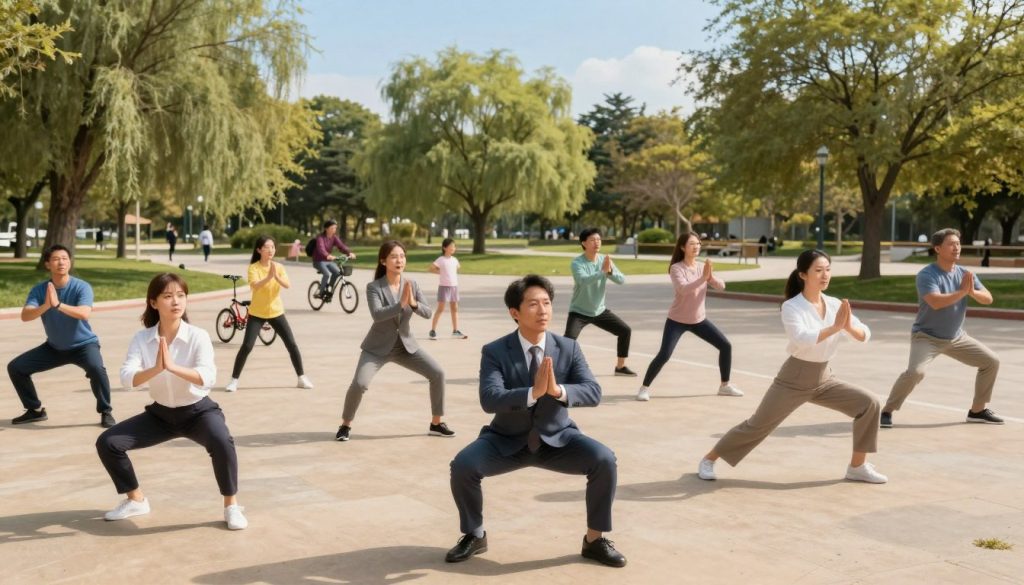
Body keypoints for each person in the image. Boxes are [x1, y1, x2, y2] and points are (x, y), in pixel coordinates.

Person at [446, 275, 626, 568]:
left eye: (547, 303)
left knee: (604, 459)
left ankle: (594, 540)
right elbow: (490, 398)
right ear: (514, 312)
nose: (543, 310)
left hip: (559, 440)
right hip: (506, 440)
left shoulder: (568, 347)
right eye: (533, 304)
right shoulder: (495, 351)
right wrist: (532, 393)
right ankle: (474, 534)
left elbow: (593, 391)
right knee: (463, 466)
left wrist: (557, 391)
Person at [696, 250, 887, 484]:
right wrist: (836, 328)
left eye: (828, 270)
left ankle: (857, 467)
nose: (825, 275)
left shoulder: (835, 304)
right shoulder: (792, 306)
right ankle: (709, 459)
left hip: (824, 378)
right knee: (757, 426)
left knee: (869, 404)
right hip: (793, 378)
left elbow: (864, 334)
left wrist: (848, 327)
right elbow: (802, 338)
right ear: (803, 275)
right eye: (818, 270)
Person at [95, 273, 247, 529]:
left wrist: (173, 367)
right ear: (153, 303)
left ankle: (231, 506)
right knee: (108, 442)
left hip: (198, 412)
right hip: (160, 416)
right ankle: (136, 500)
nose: (176, 301)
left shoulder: (198, 336)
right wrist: (156, 368)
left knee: (222, 440)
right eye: (167, 296)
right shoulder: (142, 338)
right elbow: (127, 378)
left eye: (181, 295)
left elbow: (207, 377)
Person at [881, 228, 1001, 428]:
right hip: (926, 337)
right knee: (916, 372)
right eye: (951, 244)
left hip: (956, 337)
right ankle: (887, 410)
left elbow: (988, 298)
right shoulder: (927, 274)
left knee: (991, 361)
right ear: (937, 249)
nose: (956, 247)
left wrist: (971, 291)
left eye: (958, 243)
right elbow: (935, 302)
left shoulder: (965, 274)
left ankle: (977, 411)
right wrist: (963, 292)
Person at [335, 240, 453, 441]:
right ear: (383, 261)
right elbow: (377, 314)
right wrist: (401, 304)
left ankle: (436, 424)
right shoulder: (374, 287)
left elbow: (427, 312)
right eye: (394, 257)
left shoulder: (412, 284)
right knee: (360, 384)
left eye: (402, 256)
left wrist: (413, 304)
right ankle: (345, 425)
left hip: (405, 346)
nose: (399, 260)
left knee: (438, 373)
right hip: (377, 348)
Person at [8, 245, 115, 428]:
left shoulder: (82, 287)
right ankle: (34, 410)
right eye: (56, 259)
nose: (61, 262)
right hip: (54, 348)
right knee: (16, 367)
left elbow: (84, 313)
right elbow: (25, 316)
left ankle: (106, 411)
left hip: (84, 346)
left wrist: (58, 305)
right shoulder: (40, 290)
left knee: (97, 369)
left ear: (70, 262)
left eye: (65, 258)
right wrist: (46, 305)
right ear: (47, 264)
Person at [637, 232, 742, 401]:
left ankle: (725, 386)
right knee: (664, 354)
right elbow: (683, 289)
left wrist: (710, 277)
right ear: (682, 247)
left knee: (725, 346)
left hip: (698, 320)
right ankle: (644, 388)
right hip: (677, 321)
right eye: (692, 244)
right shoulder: (676, 268)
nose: (696, 247)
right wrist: (703, 278)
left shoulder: (701, 267)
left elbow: (721, 286)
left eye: (698, 243)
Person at [224, 236, 312, 392]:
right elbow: (255, 286)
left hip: (276, 312)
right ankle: (233, 380)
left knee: (291, 344)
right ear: (259, 250)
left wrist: (275, 276)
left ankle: (301, 377)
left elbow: (287, 285)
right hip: (257, 313)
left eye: (272, 247)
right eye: (267, 247)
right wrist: (269, 277)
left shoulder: (279, 267)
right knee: (247, 346)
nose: (271, 250)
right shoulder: (254, 268)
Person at [564, 228, 635, 376]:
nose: (596, 242)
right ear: (584, 243)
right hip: (579, 311)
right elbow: (583, 281)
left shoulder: (604, 260)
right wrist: (602, 271)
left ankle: (620, 367)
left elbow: (621, 280)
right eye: (592, 240)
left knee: (625, 331)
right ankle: (562, 370)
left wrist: (609, 272)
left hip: (599, 311)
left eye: (598, 239)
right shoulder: (577, 263)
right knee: (568, 342)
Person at [429, 238, 468, 340]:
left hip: (454, 287)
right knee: (440, 309)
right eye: (451, 246)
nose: (453, 248)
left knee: (454, 308)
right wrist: (440, 272)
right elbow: (431, 268)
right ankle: (433, 330)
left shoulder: (454, 260)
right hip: (443, 287)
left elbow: (457, 268)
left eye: (454, 246)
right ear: (444, 248)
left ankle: (455, 331)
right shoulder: (440, 260)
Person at [312, 219, 356, 298]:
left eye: (335, 228)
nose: (334, 230)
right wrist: (327, 255)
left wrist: (349, 253)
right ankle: (320, 293)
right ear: (326, 228)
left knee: (337, 272)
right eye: (332, 228)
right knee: (326, 274)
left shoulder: (334, 237)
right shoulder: (320, 238)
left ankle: (329, 288)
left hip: (328, 261)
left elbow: (341, 246)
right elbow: (321, 249)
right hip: (318, 261)